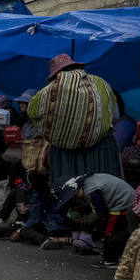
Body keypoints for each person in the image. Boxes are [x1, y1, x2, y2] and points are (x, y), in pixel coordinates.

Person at [26, 54, 121, 183]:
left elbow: (34, 115)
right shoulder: (100, 83)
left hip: (64, 155)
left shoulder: (46, 93)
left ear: (55, 74)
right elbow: (114, 117)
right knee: (103, 191)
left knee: (69, 192)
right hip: (100, 151)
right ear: (77, 66)